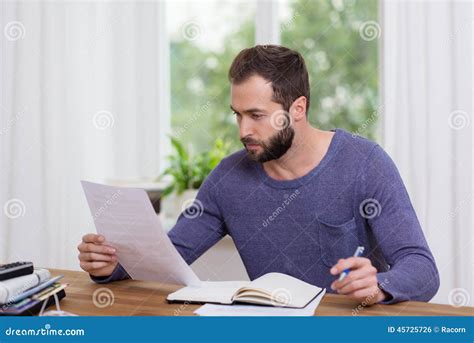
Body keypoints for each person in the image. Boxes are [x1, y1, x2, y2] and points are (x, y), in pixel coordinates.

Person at [77, 45, 439, 304]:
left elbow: (422, 269)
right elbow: (168, 257)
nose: (243, 130)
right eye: (237, 114)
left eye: (256, 115)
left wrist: (379, 284)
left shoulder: (365, 163)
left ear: (298, 109)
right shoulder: (229, 177)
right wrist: (109, 266)